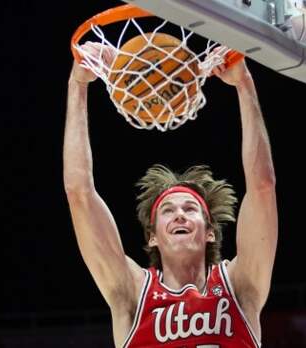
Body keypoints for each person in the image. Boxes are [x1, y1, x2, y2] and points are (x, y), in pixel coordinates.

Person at [64, 41, 278, 347]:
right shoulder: (133, 293)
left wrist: (244, 84)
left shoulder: (241, 285)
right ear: (152, 237)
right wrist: (77, 85)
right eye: (168, 210)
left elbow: (262, 187)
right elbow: (79, 193)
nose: (179, 213)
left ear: (210, 233)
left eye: (190, 209)